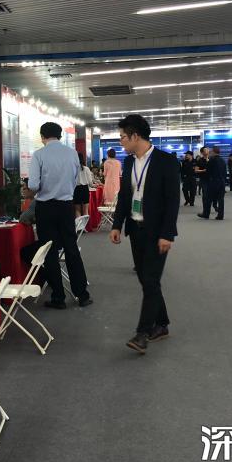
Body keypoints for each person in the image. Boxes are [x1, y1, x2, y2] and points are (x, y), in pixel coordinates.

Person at [109, 114, 180, 354]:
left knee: (149, 280)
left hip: (157, 232)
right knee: (146, 279)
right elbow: (125, 197)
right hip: (135, 229)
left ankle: (142, 333)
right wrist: (117, 224)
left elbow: (172, 201)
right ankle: (162, 324)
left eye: (122, 137)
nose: (120, 141)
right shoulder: (129, 162)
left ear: (135, 136)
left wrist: (167, 234)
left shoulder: (165, 161)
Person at [25, 122, 91, 308]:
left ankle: (58, 297)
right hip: (66, 206)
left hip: (45, 207)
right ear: (60, 135)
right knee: (71, 249)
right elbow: (75, 180)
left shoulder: (39, 155)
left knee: (50, 251)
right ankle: (82, 294)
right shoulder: (71, 153)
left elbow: (33, 185)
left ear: (42, 136)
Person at [200, 146, 226, 220]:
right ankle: (220, 215)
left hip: (213, 182)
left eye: (211, 151)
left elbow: (208, 171)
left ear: (213, 152)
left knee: (208, 198)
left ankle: (206, 214)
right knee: (221, 200)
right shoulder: (222, 160)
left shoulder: (212, 160)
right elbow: (224, 172)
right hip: (222, 182)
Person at [73, 152, 93, 217]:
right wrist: (92, 185)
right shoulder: (86, 169)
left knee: (77, 210)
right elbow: (90, 182)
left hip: (76, 189)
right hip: (85, 189)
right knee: (85, 210)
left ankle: (79, 224)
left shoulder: (73, 169)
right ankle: (85, 224)